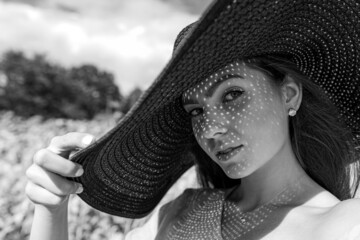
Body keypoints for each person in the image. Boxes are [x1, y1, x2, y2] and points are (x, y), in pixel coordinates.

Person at [26, 0, 360, 239]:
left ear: (289, 95)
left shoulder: (345, 226)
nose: (210, 127)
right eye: (196, 111)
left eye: (232, 94)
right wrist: (51, 209)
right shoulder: (178, 214)